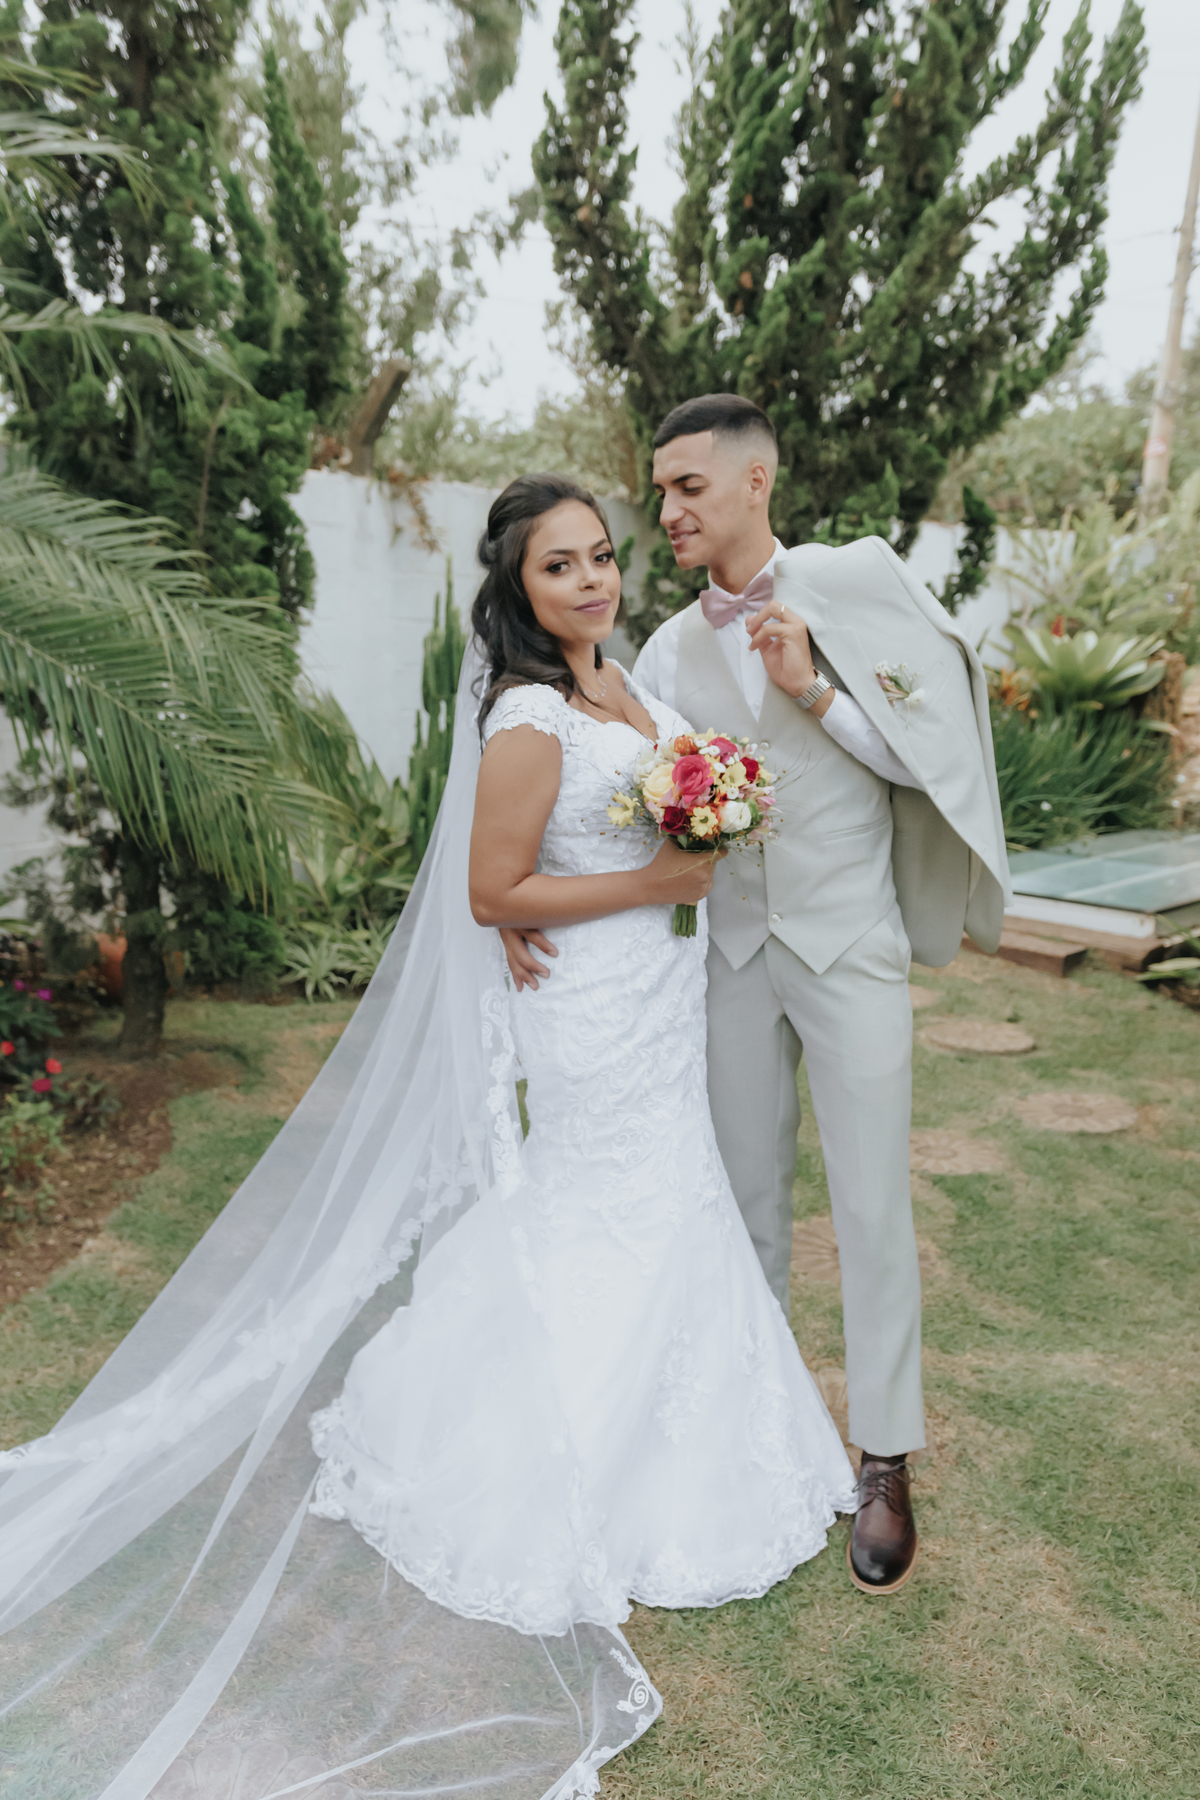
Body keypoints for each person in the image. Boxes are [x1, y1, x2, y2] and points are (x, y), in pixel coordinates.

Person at [0, 471, 856, 1800]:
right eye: (559, 567)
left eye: (599, 556)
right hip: (589, 1005)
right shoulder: (529, 713)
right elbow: (491, 889)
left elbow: (589, 847)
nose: (591, 580)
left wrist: (694, 834)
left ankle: (694, 1443)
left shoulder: (621, 680)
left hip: (653, 992)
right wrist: (660, 876)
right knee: (603, 1201)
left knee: (670, 1194)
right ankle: (541, 1463)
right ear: (517, 589)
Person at [502, 398, 1010, 1599]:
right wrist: (521, 891)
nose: (668, 511)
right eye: (662, 492)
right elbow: (614, 794)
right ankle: (761, 1436)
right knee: (742, 1203)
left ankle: (883, 1457)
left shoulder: (856, 583)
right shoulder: (663, 653)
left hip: (848, 946)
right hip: (724, 957)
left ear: (755, 482)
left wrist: (818, 691)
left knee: (872, 1206)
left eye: (687, 487)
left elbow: (926, 760)